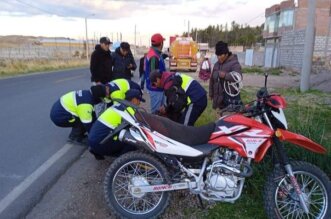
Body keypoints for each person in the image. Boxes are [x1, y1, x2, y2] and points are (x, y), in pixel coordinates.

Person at [88, 89, 145, 160]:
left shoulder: (117, 105)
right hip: (100, 145)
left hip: (91, 140)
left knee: (116, 129)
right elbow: (139, 127)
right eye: (139, 100)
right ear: (134, 100)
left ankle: (97, 151)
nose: (139, 103)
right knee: (132, 139)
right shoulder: (129, 110)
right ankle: (125, 162)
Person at [209, 41, 243, 113]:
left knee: (229, 121)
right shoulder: (216, 65)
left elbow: (238, 77)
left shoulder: (234, 63)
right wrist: (211, 94)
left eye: (221, 55)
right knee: (219, 121)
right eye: (217, 55)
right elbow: (212, 80)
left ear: (226, 54)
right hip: (218, 101)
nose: (218, 57)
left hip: (230, 100)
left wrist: (225, 75)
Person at [145, 33, 166, 114]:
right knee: (156, 113)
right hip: (156, 89)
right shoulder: (154, 56)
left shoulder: (154, 53)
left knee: (160, 111)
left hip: (157, 88)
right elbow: (153, 75)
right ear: (161, 43)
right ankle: (153, 126)